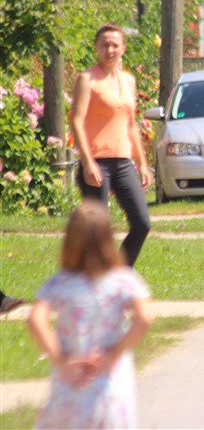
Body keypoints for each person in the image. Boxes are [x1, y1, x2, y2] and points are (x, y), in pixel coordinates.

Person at [28, 200, 154, 428]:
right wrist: (113, 353)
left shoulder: (60, 283)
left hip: (71, 386)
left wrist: (61, 359)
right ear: (108, 239)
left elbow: (36, 319)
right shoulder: (123, 281)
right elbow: (145, 317)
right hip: (110, 386)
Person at [70, 23, 152, 266]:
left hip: (123, 162)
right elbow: (76, 121)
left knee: (142, 223)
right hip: (97, 162)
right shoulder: (87, 79)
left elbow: (131, 125)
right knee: (97, 231)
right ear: (96, 47)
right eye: (104, 45)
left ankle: (118, 274)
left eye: (115, 45)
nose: (110, 50)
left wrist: (143, 164)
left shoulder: (128, 80)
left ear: (123, 48)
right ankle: (89, 278)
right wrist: (87, 163)